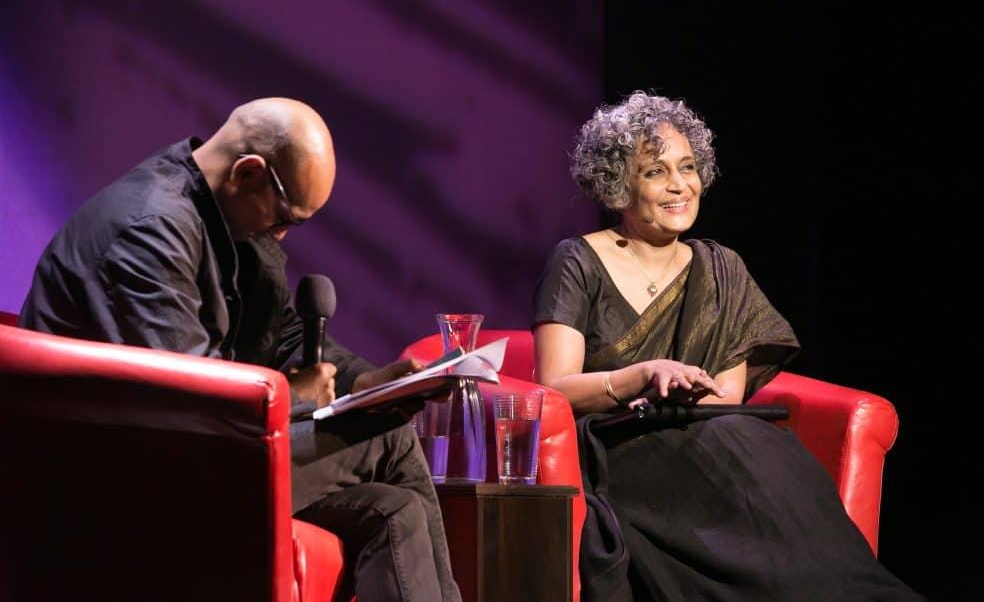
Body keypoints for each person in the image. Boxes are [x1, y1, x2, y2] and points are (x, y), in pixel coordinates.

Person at [19, 97, 460, 602]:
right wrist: (294, 395)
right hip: (119, 479)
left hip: (193, 459)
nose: (284, 234)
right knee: (390, 439)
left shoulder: (226, 217)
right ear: (248, 172)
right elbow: (194, 407)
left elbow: (284, 334)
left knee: (394, 511)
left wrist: (366, 384)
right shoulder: (148, 230)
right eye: (287, 218)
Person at [532, 91, 921, 601]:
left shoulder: (722, 269)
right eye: (655, 172)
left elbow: (725, 397)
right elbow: (553, 390)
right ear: (619, 183)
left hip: (706, 436)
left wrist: (689, 390)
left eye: (688, 168)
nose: (679, 185)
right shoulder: (578, 261)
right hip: (620, 448)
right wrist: (643, 376)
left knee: (775, 460)